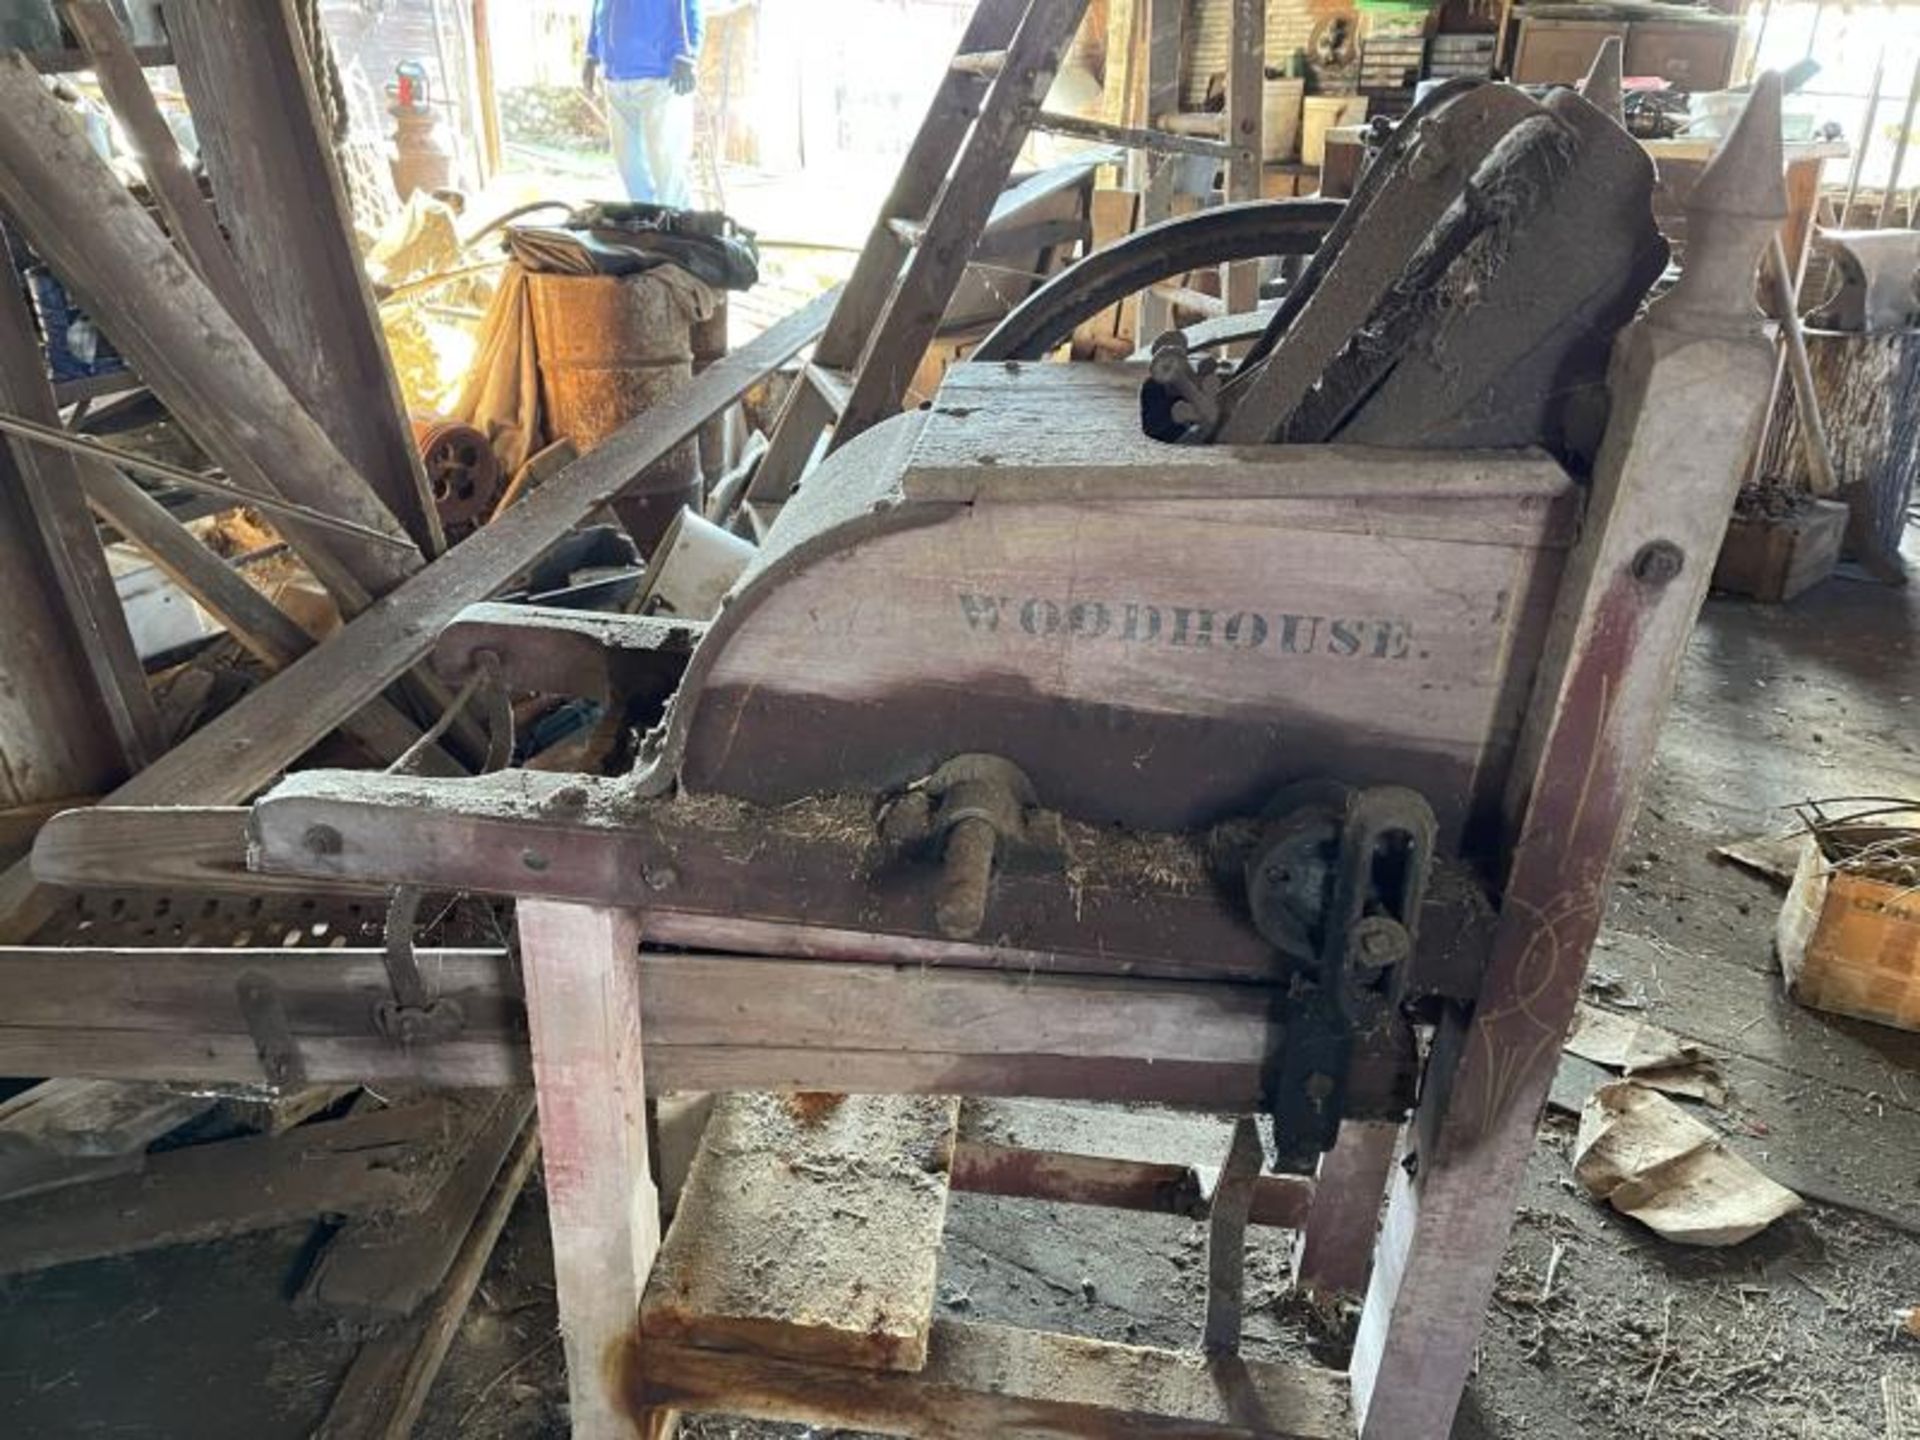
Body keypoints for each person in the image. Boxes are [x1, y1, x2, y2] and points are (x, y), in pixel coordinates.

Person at [582, 0, 702, 209]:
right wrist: (591, 54)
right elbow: (598, 7)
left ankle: (679, 233)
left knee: (667, 168)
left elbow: (689, 5)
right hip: (616, 77)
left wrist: (687, 55)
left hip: (661, 78)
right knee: (629, 165)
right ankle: (648, 228)